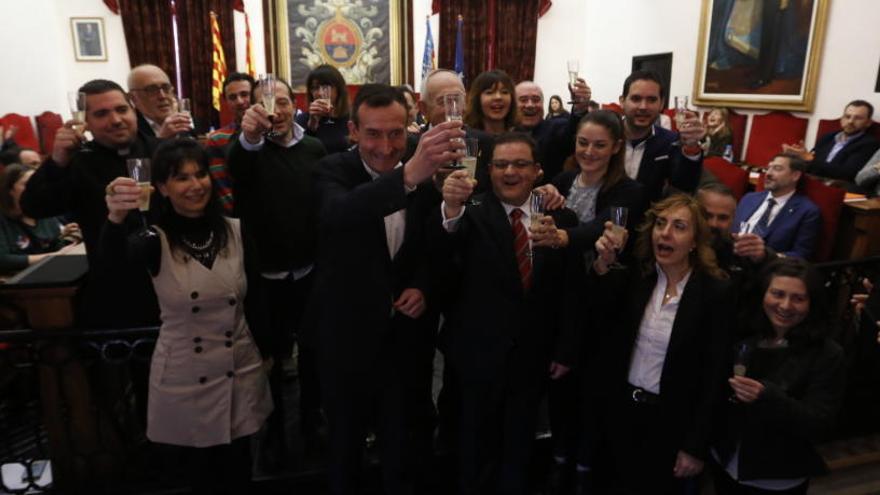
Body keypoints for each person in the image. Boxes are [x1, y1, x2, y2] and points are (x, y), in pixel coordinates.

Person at [308, 84, 462, 495]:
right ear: (353, 132)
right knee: (345, 447)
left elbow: (432, 245)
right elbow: (339, 215)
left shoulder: (425, 172)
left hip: (405, 340)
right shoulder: (332, 170)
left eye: (396, 133)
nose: (386, 145)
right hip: (347, 338)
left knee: (403, 444)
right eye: (374, 134)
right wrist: (407, 177)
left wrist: (423, 286)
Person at [101, 139, 272, 494]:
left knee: (238, 473)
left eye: (200, 175)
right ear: (161, 187)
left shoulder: (236, 231)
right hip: (183, 376)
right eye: (181, 178)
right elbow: (112, 276)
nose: (195, 186)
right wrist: (115, 219)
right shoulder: (151, 239)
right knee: (193, 478)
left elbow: (256, 299)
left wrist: (269, 352)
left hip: (237, 370)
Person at [437, 132, 583, 495]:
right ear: (489, 170)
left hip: (533, 356)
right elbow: (445, 257)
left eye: (520, 164)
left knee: (519, 446)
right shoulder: (470, 209)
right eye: (501, 164)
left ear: (537, 171)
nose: (510, 172)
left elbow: (571, 292)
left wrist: (565, 349)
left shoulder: (559, 215)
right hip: (476, 356)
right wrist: (451, 210)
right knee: (473, 444)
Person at [590, 193, 733, 494]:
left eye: (679, 226)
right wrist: (602, 268)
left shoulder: (714, 294)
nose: (665, 233)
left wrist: (695, 446)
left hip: (670, 424)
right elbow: (600, 328)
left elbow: (714, 377)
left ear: (695, 241)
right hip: (622, 412)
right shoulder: (637, 278)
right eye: (661, 223)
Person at [229, 75, 327, 464]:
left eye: (284, 101)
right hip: (263, 277)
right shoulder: (248, 150)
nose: (278, 110)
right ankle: (269, 430)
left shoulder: (315, 148)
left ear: (294, 103)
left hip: (309, 271)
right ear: (254, 109)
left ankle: (311, 423)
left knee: (314, 355)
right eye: (268, 103)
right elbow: (239, 166)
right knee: (266, 358)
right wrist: (250, 137)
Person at [20, 78, 159, 328]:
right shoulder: (80, 163)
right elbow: (33, 206)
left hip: (170, 282)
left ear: (133, 108)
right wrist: (57, 161)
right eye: (102, 114)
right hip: (116, 290)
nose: (116, 120)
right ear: (86, 122)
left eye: (121, 109)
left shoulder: (161, 151)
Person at [711, 258, 845, 494]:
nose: (785, 305)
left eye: (798, 298)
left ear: (812, 303)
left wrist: (767, 396)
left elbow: (819, 423)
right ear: (764, 294)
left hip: (776, 477)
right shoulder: (746, 334)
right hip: (725, 464)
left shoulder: (827, 353)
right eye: (777, 294)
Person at [534, 110, 646, 254]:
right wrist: (537, 197)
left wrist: (561, 236)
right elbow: (535, 221)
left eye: (599, 145)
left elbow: (603, 229)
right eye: (583, 143)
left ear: (616, 147)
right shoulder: (563, 179)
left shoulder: (630, 191)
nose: (589, 151)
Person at [619, 70, 705, 202]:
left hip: (646, 219)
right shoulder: (607, 135)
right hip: (602, 217)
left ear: (661, 104)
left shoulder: (669, 141)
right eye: (636, 99)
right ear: (622, 101)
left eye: (652, 100)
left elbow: (684, 187)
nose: (643, 107)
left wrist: (691, 147)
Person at [733, 153, 820, 259]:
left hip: (767, 269)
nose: (768, 173)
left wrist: (766, 256)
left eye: (777, 169)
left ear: (795, 175)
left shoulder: (807, 211)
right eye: (768, 168)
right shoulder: (749, 198)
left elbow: (801, 255)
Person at [0, 164, 80, 272]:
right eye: (27, 184)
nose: (34, 189)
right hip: (14, 280)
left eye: (36, 184)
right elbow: (3, 260)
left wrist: (70, 240)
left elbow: (56, 245)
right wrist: (53, 256)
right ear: (10, 190)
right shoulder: (3, 219)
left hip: (49, 271)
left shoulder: (44, 212)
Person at [784, 100, 879, 183]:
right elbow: (811, 165)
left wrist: (810, 159)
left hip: (838, 187)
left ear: (868, 123)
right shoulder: (828, 137)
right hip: (813, 181)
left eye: (858, 118)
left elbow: (848, 174)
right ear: (841, 119)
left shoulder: (869, 144)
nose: (850, 121)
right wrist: (797, 157)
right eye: (847, 116)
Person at [514, 80, 590, 183]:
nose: (530, 105)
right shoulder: (504, 133)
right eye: (523, 100)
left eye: (536, 100)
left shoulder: (555, 128)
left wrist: (580, 108)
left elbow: (572, 133)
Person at [205, 72, 255, 214]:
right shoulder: (217, 140)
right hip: (239, 219)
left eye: (245, 94)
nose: (239, 101)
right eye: (232, 97)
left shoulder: (274, 133)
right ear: (226, 102)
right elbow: (223, 191)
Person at [127, 64, 197, 138]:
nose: (162, 96)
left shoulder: (182, 123)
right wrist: (162, 139)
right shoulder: (129, 130)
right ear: (133, 98)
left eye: (166, 88)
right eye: (152, 90)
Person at [295, 64, 351, 154]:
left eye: (325, 87)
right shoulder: (302, 120)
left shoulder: (352, 118)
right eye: (315, 88)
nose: (320, 93)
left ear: (338, 89)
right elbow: (299, 153)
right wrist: (312, 126)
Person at [463, 69, 518, 135]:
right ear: (477, 99)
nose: (498, 97)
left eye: (504, 92)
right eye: (489, 92)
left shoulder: (521, 137)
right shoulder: (465, 136)